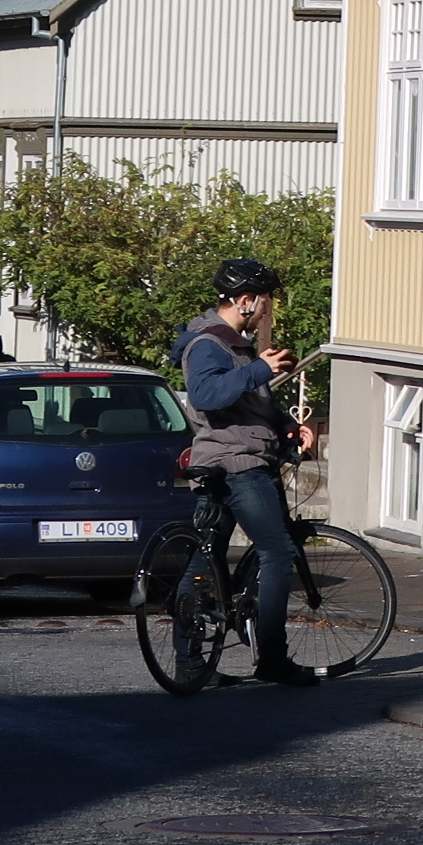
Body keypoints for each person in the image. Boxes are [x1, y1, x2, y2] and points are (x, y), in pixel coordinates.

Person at [176, 259, 312, 686]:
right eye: (265, 303)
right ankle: (272, 658)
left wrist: (286, 424)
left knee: (207, 558)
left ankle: (191, 663)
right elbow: (205, 395)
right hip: (235, 464)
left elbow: (247, 405)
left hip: (238, 459)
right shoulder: (208, 345)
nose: (267, 311)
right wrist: (259, 369)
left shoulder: (236, 345)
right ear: (246, 300)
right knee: (277, 552)